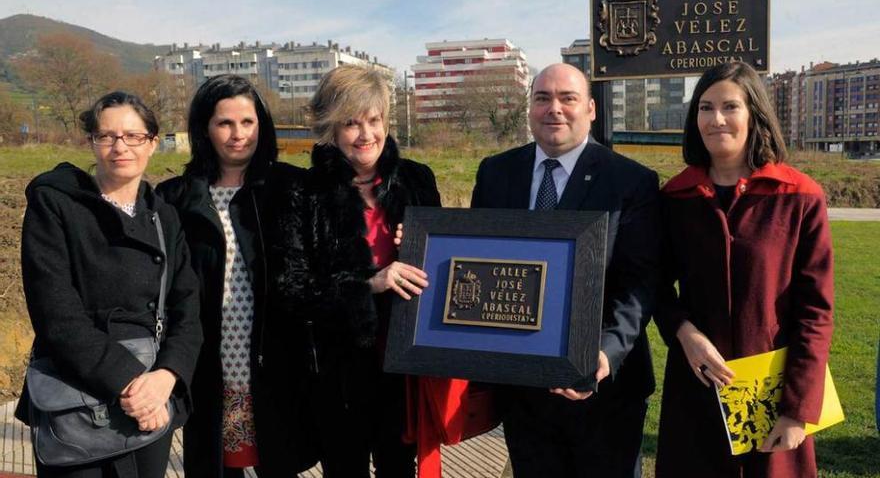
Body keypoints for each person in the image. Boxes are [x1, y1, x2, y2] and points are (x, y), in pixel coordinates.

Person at [470, 63, 661, 478]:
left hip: (605, 389)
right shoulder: (495, 172)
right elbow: (478, 263)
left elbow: (639, 283)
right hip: (522, 391)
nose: (554, 109)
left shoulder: (631, 181)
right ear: (530, 109)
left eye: (567, 98)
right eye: (542, 98)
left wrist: (606, 352)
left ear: (590, 109)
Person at [654, 61, 834, 478]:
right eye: (705, 107)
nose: (716, 119)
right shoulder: (675, 196)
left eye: (730, 106)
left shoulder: (800, 196)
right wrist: (686, 334)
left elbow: (816, 311)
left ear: (754, 113)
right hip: (698, 389)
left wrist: (797, 409)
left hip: (773, 395)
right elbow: (657, 286)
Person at [16, 91, 203, 477]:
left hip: (152, 395)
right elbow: (56, 314)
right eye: (107, 136)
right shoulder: (56, 205)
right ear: (92, 143)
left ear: (152, 143)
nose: (120, 146)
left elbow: (188, 307)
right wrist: (130, 383)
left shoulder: (163, 217)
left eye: (133, 136)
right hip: (75, 395)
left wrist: (167, 377)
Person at [270, 64, 441, 478]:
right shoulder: (303, 192)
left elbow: (446, 266)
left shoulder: (416, 179)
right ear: (330, 128)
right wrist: (370, 283)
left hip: (405, 362)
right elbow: (291, 288)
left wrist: (422, 246)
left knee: (399, 468)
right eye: (351, 123)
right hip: (337, 373)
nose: (366, 134)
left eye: (374, 120)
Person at [156, 75, 312, 477]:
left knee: (278, 462)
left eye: (248, 122)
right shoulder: (177, 196)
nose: (238, 134)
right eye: (225, 123)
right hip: (208, 361)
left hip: (274, 361)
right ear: (205, 129)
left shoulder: (291, 187)